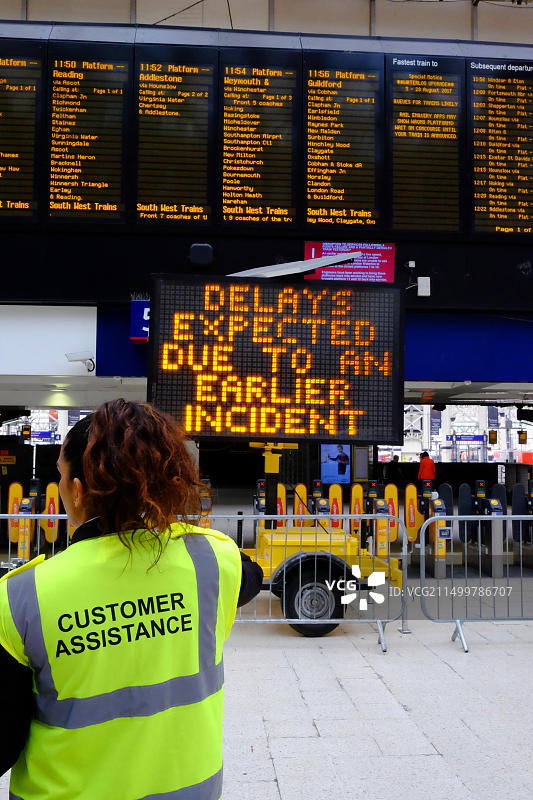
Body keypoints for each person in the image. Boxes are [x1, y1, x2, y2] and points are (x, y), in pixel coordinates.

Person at [0, 399, 263, 798]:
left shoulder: (21, 597)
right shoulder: (215, 560)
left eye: (59, 474)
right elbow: (252, 578)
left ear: (76, 489)